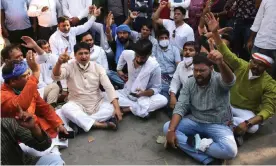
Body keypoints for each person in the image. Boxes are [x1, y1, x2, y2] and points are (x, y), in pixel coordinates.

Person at [205, 12, 276, 145]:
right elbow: (226, 53)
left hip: (245, 111)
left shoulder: (270, 84)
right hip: (227, 102)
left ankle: (226, 126)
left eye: (260, 65)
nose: (255, 66)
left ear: (266, 69)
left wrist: (247, 123)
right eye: (254, 62)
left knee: (253, 127)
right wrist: (215, 33)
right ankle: (231, 129)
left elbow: (268, 110)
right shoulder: (243, 66)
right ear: (251, 61)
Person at [164, 45, 237, 164]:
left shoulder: (219, 79)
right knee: (167, 127)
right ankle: (206, 158)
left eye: (202, 70)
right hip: (195, 120)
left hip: (218, 123)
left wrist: (221, 63)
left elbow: (230, 81)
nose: (198, 73)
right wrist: (171, 131)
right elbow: (181, 106)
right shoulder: (190, 82)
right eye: (195, 70)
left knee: (230, 151)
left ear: (211, 68)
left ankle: (194, 142)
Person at [1, 51, 68, 154]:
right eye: (25, 76)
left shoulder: (28, 88)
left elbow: (44, 108)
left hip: (37, 131)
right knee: (53, 156)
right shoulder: (3, 95)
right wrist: (35, 72)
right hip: (21, 140)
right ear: (13, 81)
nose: (29, 78)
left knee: (61, 117)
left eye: (29, 73)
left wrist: (58, 124)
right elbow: (21, 105)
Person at [52, 42, 123, 132]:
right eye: (80, 53)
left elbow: (108, 87)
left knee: (111, 109)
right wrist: (59, 63)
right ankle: (101, 125)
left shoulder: (97, 67)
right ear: (75, 55)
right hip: (77, 103)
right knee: (66, 108)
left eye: (86, 53)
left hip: (97, 103)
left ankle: (79, 124)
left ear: (90, 54)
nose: (84, 56)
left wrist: (117, 109)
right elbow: (56, 76)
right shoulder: (69, 66)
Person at [117, 39, 168, 118]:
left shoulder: (154, 66)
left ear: (149, 54)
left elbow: (157, 88)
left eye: (143, 58)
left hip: (143, 97)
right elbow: (123, 55)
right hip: (126, 92)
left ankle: (129, 109)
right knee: (107, 96)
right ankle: (139, 109)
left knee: (163, 100)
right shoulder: (128, 54)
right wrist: (119, 70)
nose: (139, 60)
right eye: (137, 56)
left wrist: (144, 93)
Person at [247, 0, 276, 79]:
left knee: (270, 77)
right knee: (252, 72)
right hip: (260, 42)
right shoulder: (266, 1)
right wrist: (251, 39)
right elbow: (258, 19)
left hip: (274, 47)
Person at [152, 28, 181, 100]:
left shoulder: (175, 49)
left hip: (172, 76)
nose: (164, 39)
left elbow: (178, 64)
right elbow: (151, 62)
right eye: (161, 38)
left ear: (169, 38)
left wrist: (176, 78)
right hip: (159, 77)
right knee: (164, 96)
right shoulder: (154, 48)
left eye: (166, 38)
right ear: (157, 39)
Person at [169, 41, 197, 113]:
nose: (187, 52)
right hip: (184, 95)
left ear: (197, 53)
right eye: (185, 50)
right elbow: (175, 81)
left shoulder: (199, 67)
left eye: (191, 50)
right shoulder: (181, 64)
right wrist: (172, 96)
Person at [36, 40, 61, 106]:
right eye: (45, 48)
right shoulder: (35, 60)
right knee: (54, 87)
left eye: (49, 46)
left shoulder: (54, 57)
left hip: (54, 87)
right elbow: (39, 82)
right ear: (39, 49)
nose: (49, 49)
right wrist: (49, 89)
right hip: (40, 89)